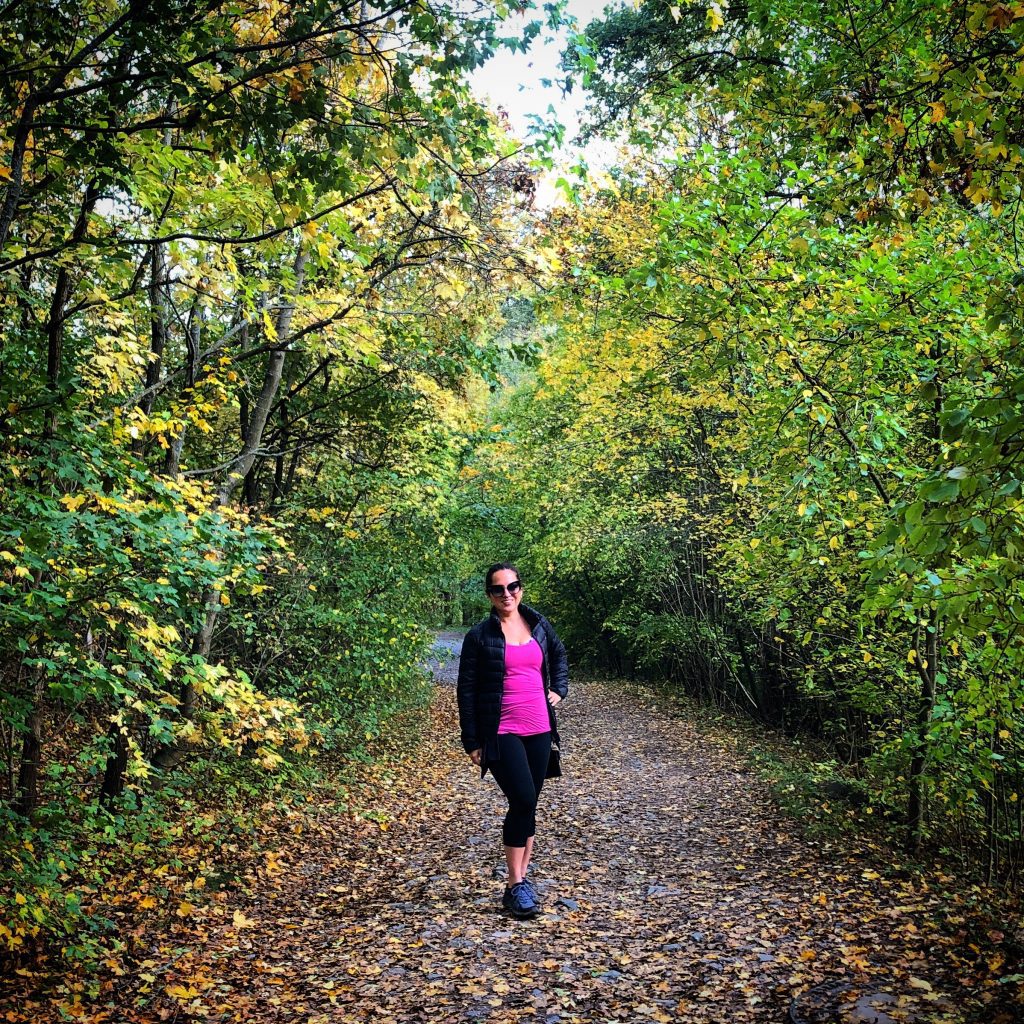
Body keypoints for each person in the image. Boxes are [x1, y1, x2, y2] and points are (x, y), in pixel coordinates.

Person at [456, 563, 569, 919]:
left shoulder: (538, 624)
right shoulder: (480, 636)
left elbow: (560, 657)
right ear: (489, 595)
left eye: (513, 586)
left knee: (529, 803)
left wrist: (558, 691)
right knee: (521, 798)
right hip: (501, 730)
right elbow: (467, 690)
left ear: (521, 588)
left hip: (539, 728)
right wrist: (472, 740)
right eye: (498, 589)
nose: (507, 594)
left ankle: (521, 881)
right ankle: (515, 884)